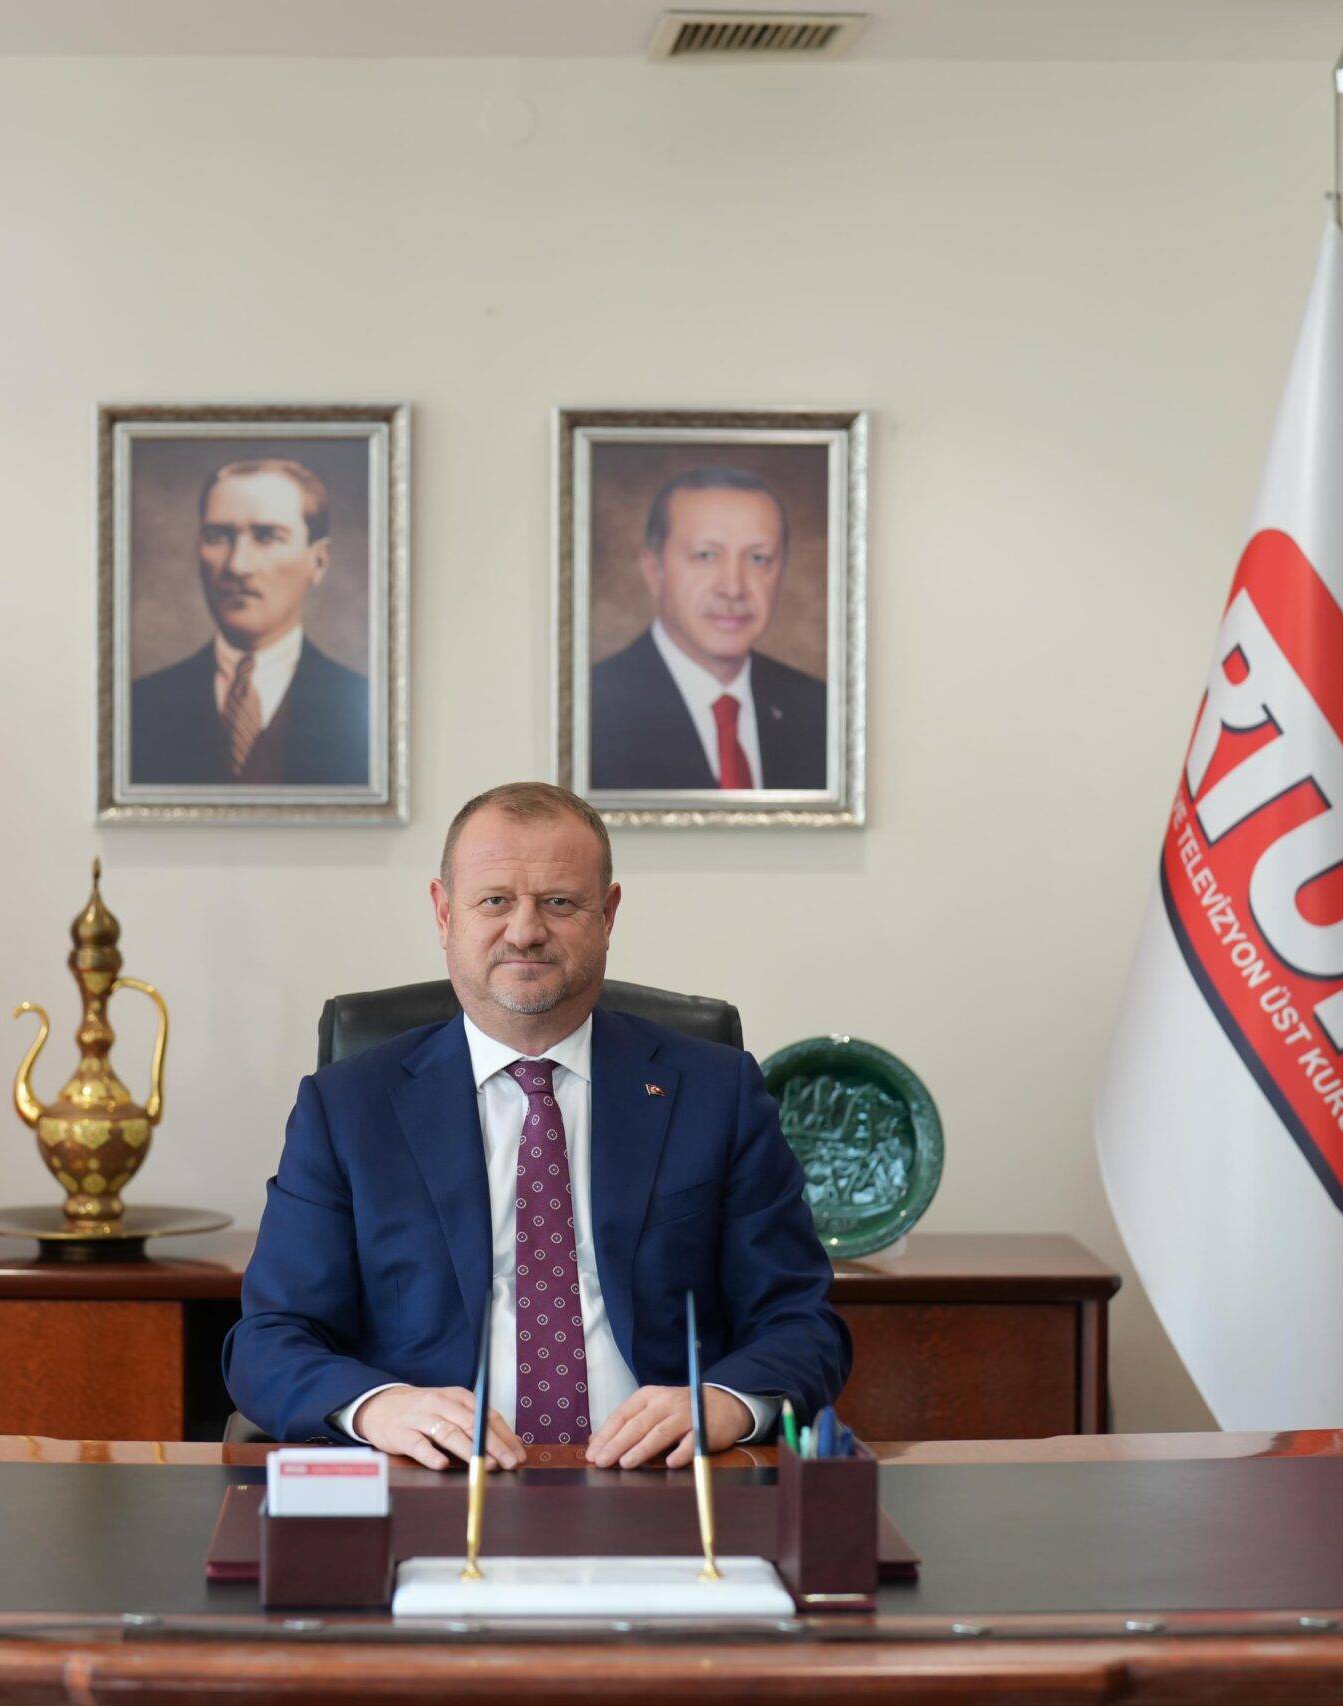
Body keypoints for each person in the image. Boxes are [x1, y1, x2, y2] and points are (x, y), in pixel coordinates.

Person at [223, 782, 848, 1468]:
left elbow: (801, 1319)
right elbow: (268, 1340)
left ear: (607, 915)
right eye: (495, 901)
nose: (525, 931)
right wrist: (381, 1408)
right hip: (435, 1480)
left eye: (559, 902)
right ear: (444, 913)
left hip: (660, 1478)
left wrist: (724, 1403)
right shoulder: (348, 1108)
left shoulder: (714, 1092)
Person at [128, 457, 369, 786]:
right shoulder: (139, 706)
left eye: (267, 537)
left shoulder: (365, 708)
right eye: (217, 536)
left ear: (319, 561)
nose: (237, 566)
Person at [588, 466, 828, 793]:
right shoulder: (593, 707)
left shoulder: (819, 709)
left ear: (781, 572)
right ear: (654, 570)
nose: (733, 588)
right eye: (706, 555)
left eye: (758, 559)